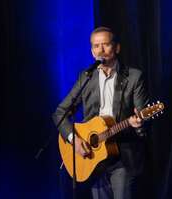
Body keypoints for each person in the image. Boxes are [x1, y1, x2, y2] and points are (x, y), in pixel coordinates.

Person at [52, 26, 150, 199]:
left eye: (105, 45)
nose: (101, 50)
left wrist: (139, 124)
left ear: (117, 48)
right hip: (93, 156)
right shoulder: (86, 77)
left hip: (122, 156)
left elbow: (143, 120)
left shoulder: (134, 77)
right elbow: (60, 113)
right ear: (91, 51)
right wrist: (74, 140)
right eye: (96, 46)